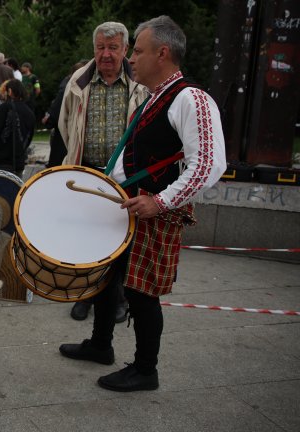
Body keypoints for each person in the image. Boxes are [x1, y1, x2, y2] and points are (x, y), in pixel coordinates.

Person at [59, 15, 226, 392]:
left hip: (155, 212)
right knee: (108, 277)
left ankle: (145, 369)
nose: (131, 59)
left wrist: (161, 201)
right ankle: (101, 345)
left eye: (137, 50)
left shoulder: (191, 98)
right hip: (133, 206)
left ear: (162, 53)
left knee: (142, 292)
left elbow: (209, 164)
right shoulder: (156, 97)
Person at [58, 22, 148, 322]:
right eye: (100, 47)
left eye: (112, 48)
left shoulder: (141, 85)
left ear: (125, 49)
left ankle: (118, 298)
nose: (106, 54)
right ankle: (85, 297)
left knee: (120, 242)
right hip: (86, 174)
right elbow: (65, 125)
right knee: (84, 241)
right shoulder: (79, 82)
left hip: (126, 179)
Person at [0, 79, 34, 176]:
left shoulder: (5, 108)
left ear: (10, 91)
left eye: (4, 92)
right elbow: (28, 138)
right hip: (18, 162)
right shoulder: (30, 112)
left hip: (1, 161)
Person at [42, 59, 88, 167]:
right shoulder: (71, 88)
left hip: (66, 141)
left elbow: (53, 114)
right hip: (69, 139)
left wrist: (48, 119)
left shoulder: (68, 87)